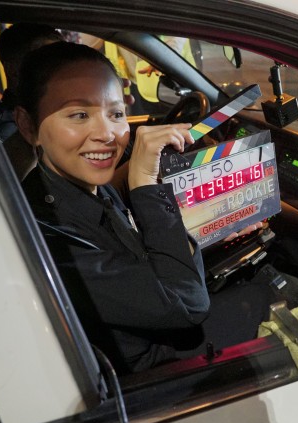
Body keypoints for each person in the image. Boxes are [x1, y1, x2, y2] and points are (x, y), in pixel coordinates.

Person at [14, 41, 211, 374]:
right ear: (29, 126)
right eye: (79, 115)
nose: (107, 134)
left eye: (116, 114)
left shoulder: (85, 183)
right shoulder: (49, 237)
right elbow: (189, 306)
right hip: (147, 377)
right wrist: (145, 182)